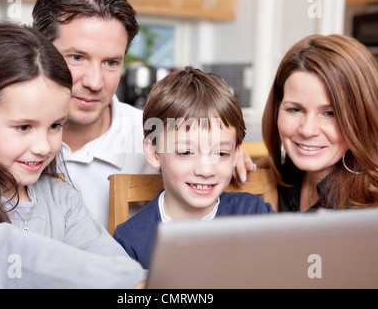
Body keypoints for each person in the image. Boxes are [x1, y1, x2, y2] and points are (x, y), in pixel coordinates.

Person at [0, 22, 145, 288]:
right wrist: (129, 281)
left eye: (55, 126)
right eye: (23, 127)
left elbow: (113, 261)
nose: (43, 146)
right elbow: (6, 256)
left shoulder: (61, 198)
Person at [31, 0, 255, 229]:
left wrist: (216, 152)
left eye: (111, 62)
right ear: (40, 51)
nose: (95, 83)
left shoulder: (158, 134)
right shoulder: (8, 139)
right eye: (77, 57)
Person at [112, 67, 275, 269]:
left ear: (235, 155)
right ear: (154, 153)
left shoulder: (255, 214)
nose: (205, 171)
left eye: (221, 154)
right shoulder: (130, 240)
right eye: (186, 153)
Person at [259, 34, 378, 211]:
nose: (307, 130)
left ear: (362, 118)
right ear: (277, 108)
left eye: (330, 113)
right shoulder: (271, 179)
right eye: (295, 109)